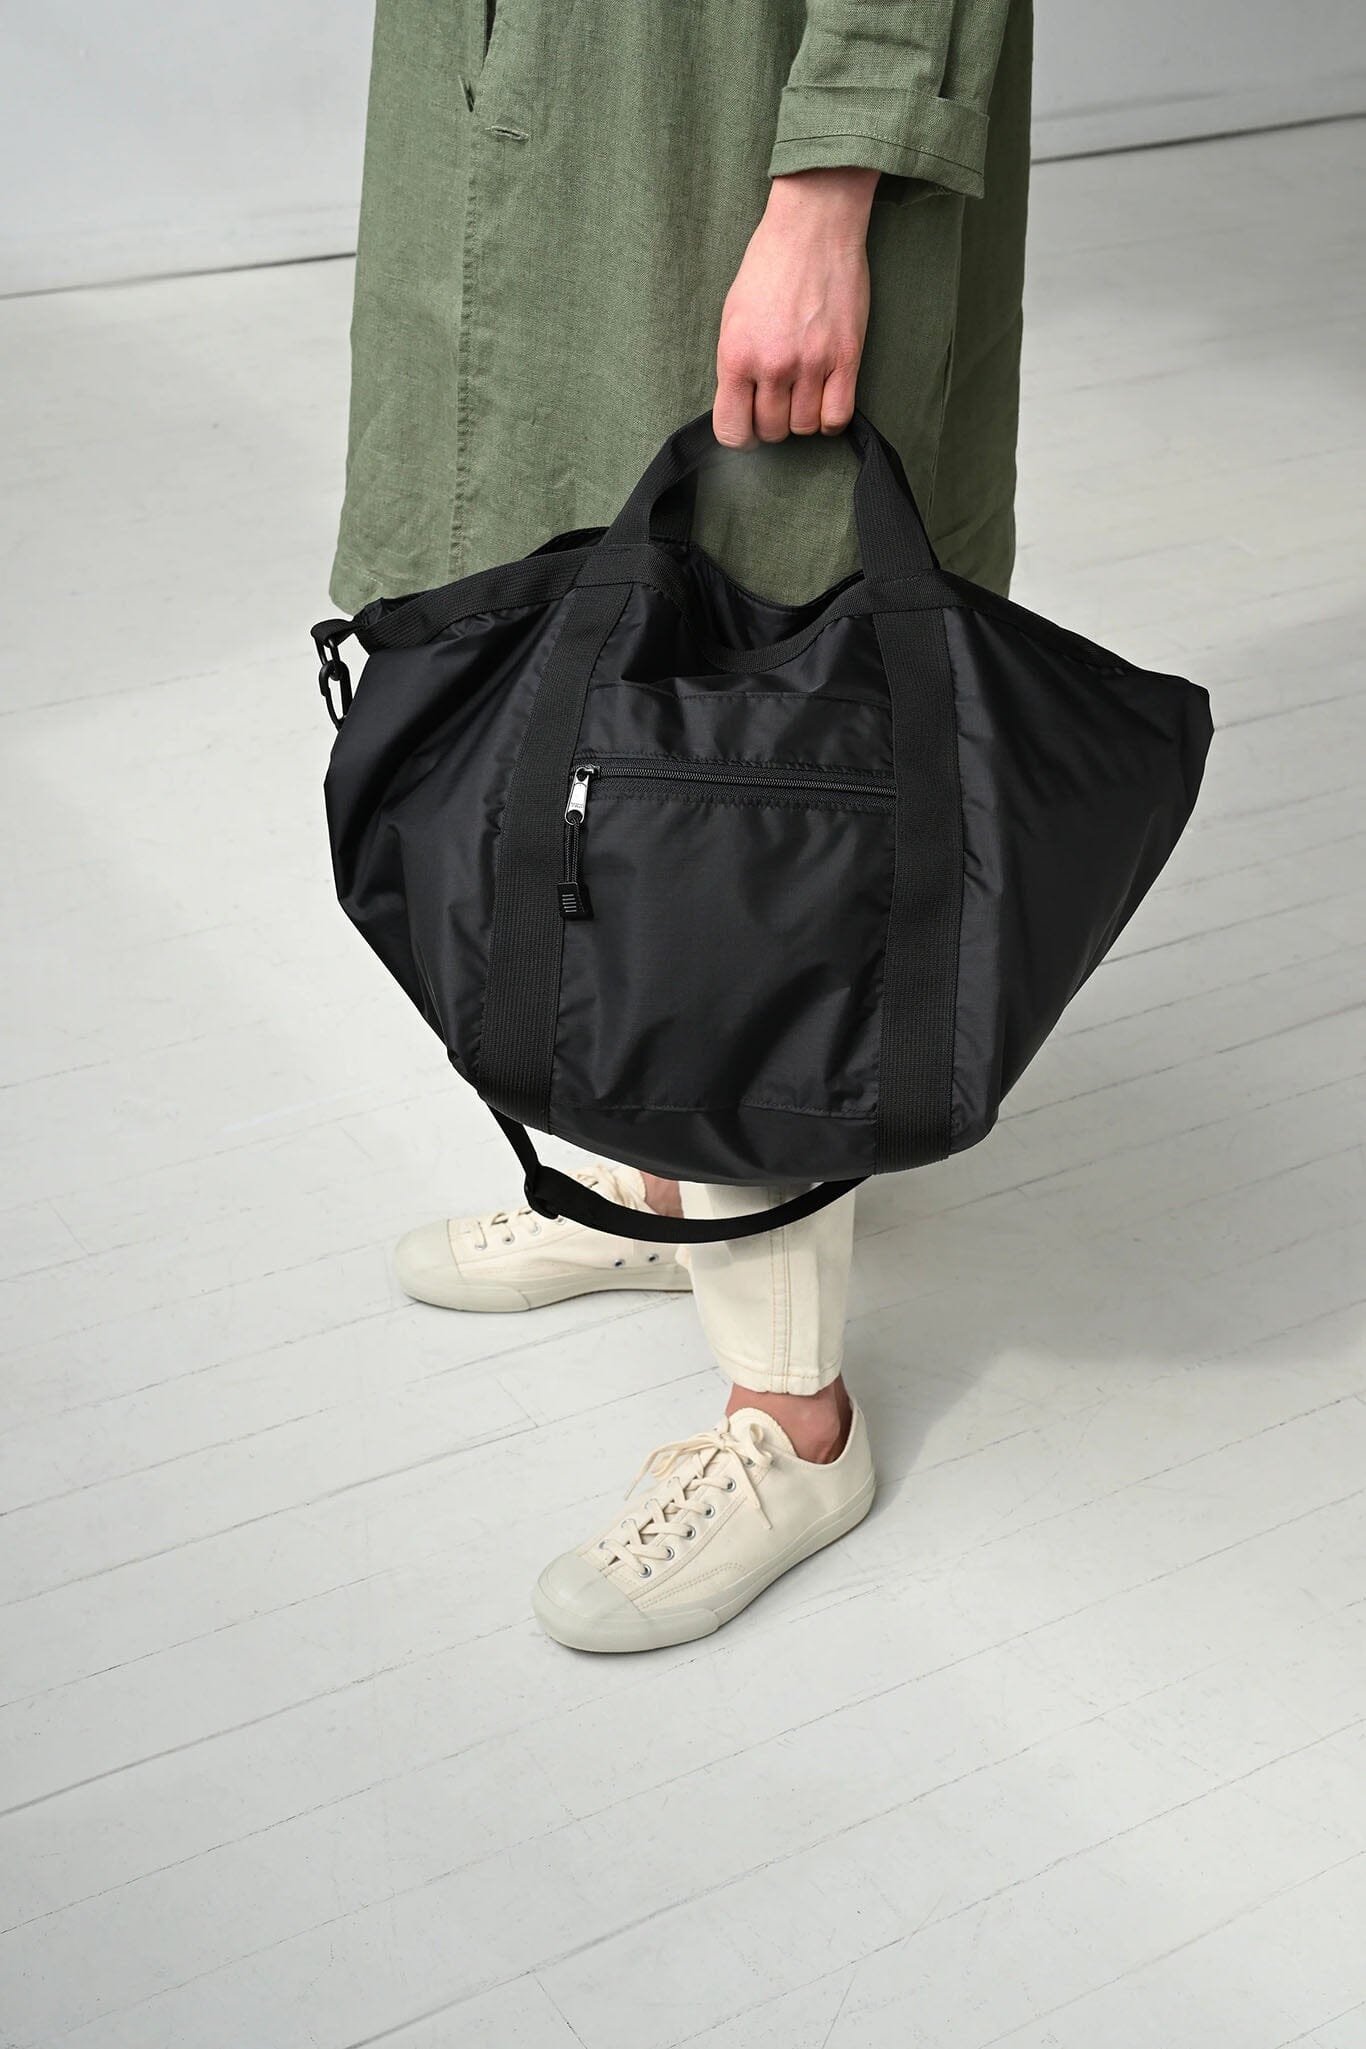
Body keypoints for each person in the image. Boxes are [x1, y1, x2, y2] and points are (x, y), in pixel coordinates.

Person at [332, 0, 1032, 1652]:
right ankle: (659, 1188)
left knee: (747, 744)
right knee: (551, 663)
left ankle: (794, 1424)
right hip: (518, 125)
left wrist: (825, 187)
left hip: (715, 134)